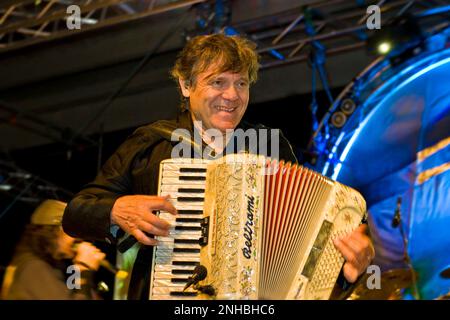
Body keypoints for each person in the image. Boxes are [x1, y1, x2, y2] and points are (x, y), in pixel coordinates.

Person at [62, 34, 375, 300]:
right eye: (218, 82)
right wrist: (116, 210)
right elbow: (76, 212)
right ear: (186, 85)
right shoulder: (152, 143)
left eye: (241, 83)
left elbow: (300, 261)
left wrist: (345, 272)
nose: (232, 95)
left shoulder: (272, 148)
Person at [2, 199, 106, 300]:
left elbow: (74, 292)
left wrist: (79, 270)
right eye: (73, 230)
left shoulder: (47, 265)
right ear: (52, 232)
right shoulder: (34, 267)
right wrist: (84, 269)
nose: (80, 237)